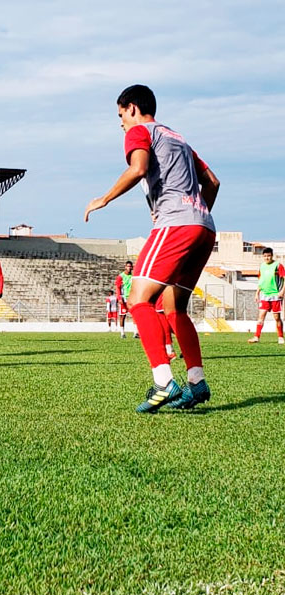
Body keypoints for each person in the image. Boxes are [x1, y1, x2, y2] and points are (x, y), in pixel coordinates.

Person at [84, 84, 220, 413]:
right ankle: (196, 381)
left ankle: (163, 381)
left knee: (137, 299)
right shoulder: (179, 137)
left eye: (121, 115)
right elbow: (212, 182)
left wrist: (103, 199)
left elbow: (139, 168)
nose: (120, 123)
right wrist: (199, 215)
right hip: (204, 227)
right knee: (174, 307)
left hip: (175, 224)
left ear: (132, 108)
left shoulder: (140, 131)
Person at [247, 247, 285, 344]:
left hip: (275, 295)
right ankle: (256, 337)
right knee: (261, 316)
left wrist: (282, 292)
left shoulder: (278, 265)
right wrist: (257, 293)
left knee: (276, 317)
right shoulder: (262, 266)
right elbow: (261, 281)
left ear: (272, 256)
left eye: (268, 256)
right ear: (263, 257)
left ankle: (280, 337)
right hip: (264, 295)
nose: (267, 258)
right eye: (265, 256)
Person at [115, 261, 136, 338]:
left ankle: (135, 333)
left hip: (132, 298)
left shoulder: (133, 276)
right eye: (128, 266)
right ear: (125, 267)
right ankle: (122, 333)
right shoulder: (121, 276)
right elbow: (118, 288)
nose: (129, 268)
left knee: (135, 315)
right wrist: (119, 298)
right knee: (122, 316)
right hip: (123, 298)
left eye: (130, 266)